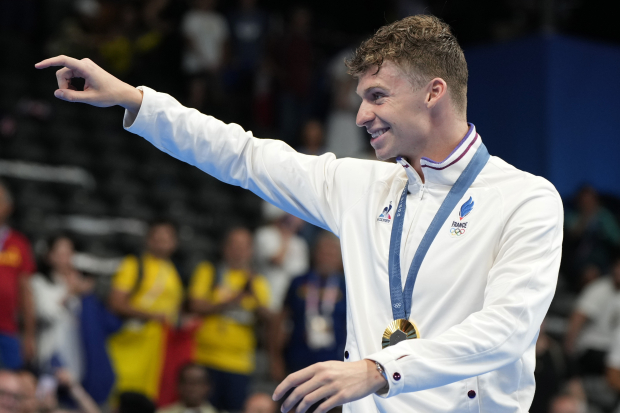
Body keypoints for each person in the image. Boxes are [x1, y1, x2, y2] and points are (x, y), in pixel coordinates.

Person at [36, 13, 564, 413]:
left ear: (434, 92)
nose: (361, 115)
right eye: (360, 98)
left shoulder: (526, 199)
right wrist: (137, 100)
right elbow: (244, 155)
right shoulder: (362, 184)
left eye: (377, 96)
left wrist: (377, 370)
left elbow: (508, 329)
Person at [188, 227, 270, 412]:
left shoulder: (257, 282)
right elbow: (195, 306)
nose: (238, 251)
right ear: (224, 248)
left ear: (251, 251)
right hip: (204, 358)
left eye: (243, 246)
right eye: (234, 245)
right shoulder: (208, 272)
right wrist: (231, 301)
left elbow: (267, 318)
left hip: (239, 364)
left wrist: (254, 298)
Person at [107, 219, 184, 402]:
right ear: (148, 240)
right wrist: (152, 315)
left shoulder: (173, 270)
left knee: (147, 399)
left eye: (167, 238)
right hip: (130, 345)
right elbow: (116, 302)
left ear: (175, 243)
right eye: (157, 238)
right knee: (122, 395)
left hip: (158, 349)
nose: (162, 242)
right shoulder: (133, 265)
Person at [270, 231, 346, 380]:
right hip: (298, 358)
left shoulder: (348, 287)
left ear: (340, 258)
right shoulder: (298, 282)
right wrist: (275, 359)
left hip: (335, 362)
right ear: (314, 253)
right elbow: (281, 319)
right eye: (324, 251)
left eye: (332, 252)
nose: (327, 256)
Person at [30, 235, 94, 381]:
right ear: (49, 256)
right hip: (52, 349)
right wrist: (71, 292)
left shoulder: (79, 282)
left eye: (68, 253)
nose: (64, 259)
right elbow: (48, 314)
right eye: (59, 254)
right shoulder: (39, 282)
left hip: (77, 348)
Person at [0, 181, 36, 370]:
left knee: (12, 389)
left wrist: (29, 335)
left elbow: (26, 290)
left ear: (8, 207)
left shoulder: (19, 243)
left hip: (8, 330)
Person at [564, 256, 620, 376]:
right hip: (592, 348)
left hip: (613, 348)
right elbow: (578, 318)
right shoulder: (599, 289)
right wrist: (569, 352)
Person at [255, 202, 309, 311]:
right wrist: (287, 235)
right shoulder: (265, 235)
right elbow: (277, 260)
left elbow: (302, 272)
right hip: (268, 293)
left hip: (290, 297)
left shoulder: (300, 243)